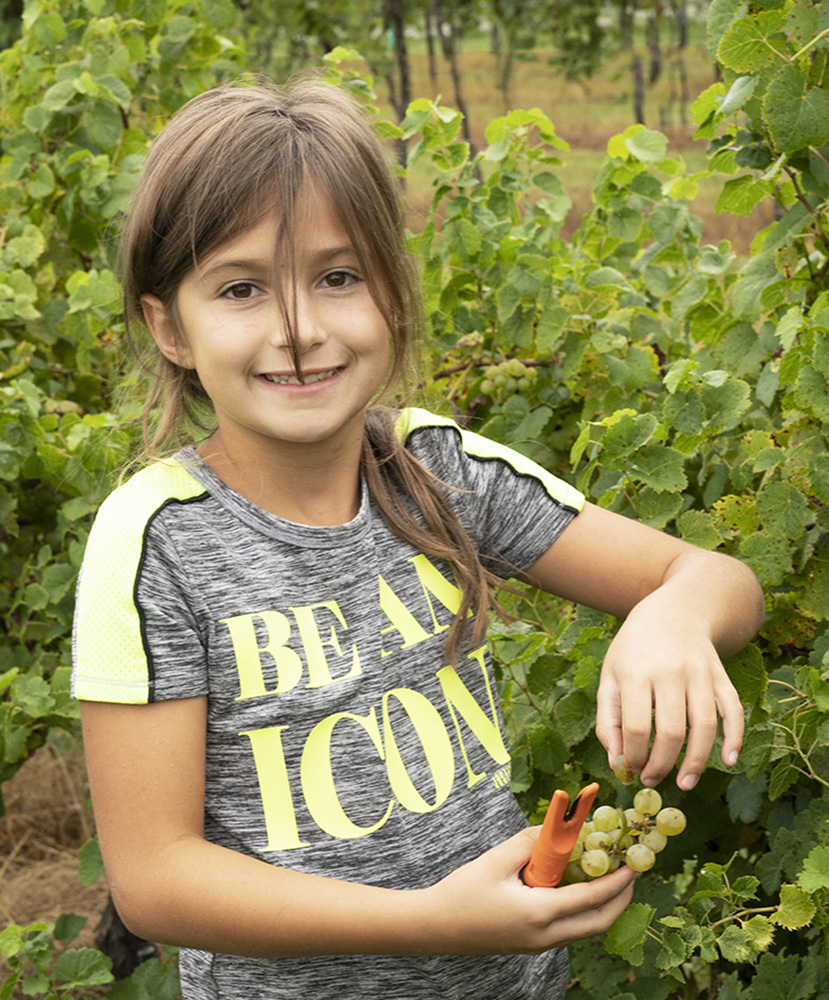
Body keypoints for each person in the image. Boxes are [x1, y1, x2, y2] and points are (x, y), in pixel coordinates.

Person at [71, 79, 765, 1000]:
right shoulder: (156, 543)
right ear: (171, 328)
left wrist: (673, 613)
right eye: (241, 288)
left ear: (392, 296)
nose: (299, 329)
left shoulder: (434, 469)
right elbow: (155, 880)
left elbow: (721, 579)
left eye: (337, 276)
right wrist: (430, 922)